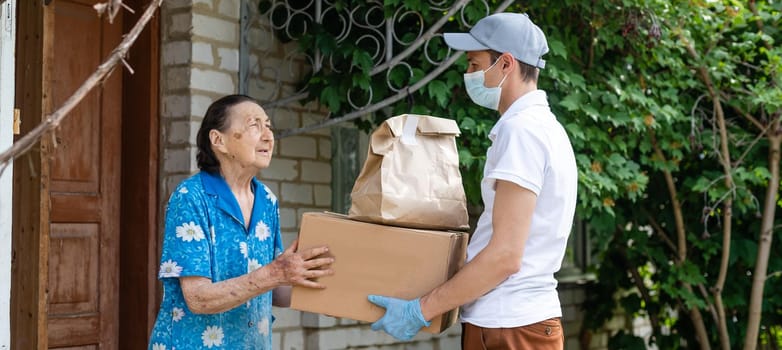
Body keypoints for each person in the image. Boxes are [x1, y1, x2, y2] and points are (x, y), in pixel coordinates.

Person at [368, 12, 578, 349]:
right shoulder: (544, 129)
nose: (468, 74)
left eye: (473, 64)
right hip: (516, 322)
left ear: (506, 64)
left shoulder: (522, 131)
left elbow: (506, 255)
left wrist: (420, 310)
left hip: (510, 325)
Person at [148, 94, 334, 349]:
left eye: (268, 125)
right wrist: (276, 273)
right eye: (254, 125)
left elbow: (276, 289)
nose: (268, 135)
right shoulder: (191, 197)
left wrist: (329, 296)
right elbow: (198, 299)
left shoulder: (267, 200)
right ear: (218, 140)